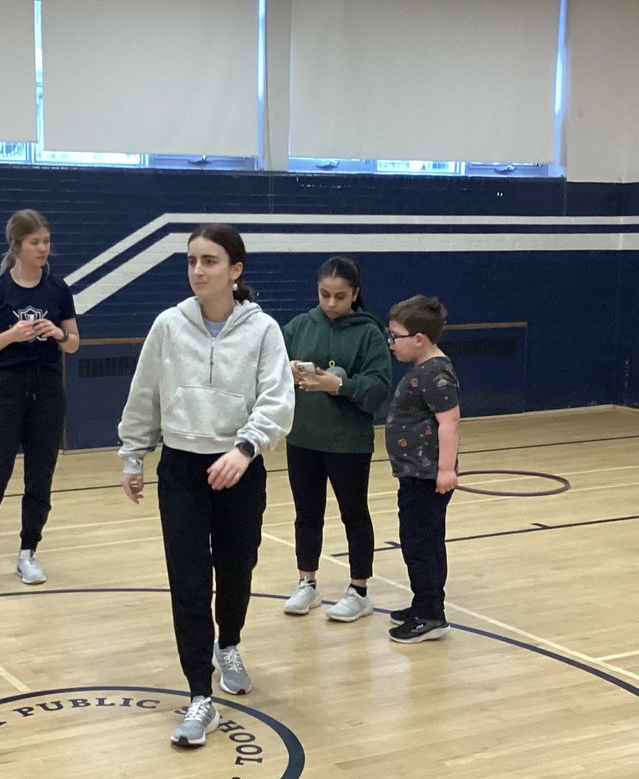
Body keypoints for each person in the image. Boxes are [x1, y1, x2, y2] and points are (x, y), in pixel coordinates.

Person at [118, 224, 294, 748]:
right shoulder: (169, 325)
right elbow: (144, 392)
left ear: (235, 271)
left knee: (237, 571)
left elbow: (278, 400)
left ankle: (229, 644)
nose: (198, 270)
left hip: (239, 469)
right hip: (182, 472)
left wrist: (244, 448)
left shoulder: (264, 332)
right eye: (192, 260)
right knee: (189, 582)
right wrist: (134, 454)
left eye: (210, 261)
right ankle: (199, 695)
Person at [0, 209, 80, 593]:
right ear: (17, 246)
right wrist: (11, 335)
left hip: (47, 389)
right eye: (35, 242)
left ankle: (28, 551)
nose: (43, 248)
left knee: (39, 477)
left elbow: (74, 342)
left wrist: (57, 335)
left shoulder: (59, 290)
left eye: (46, 241)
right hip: (6, 388)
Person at [281, 256, 392, 622]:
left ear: (355, 294)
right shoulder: (298, 327)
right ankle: (307, 584)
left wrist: (340, 385)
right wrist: (290, 371)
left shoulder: (369, 333)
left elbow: (378, 389)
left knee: (354, 514)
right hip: (303, 438)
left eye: (340, 296)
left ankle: (359, 590)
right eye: (325, 295)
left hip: (348, 442)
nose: (331, 303)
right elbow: (269, 370)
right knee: (306, 514)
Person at [383, 295, 461, 644]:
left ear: (419, 339)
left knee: (421, 543)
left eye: (395, 336)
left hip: (426, 476)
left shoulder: (436, 373)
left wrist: (445, 470)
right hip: (413, 473)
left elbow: (450, 422)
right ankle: (423, 603)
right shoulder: (424, 370)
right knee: (418, 541)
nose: (391, 343)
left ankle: (431, 615)